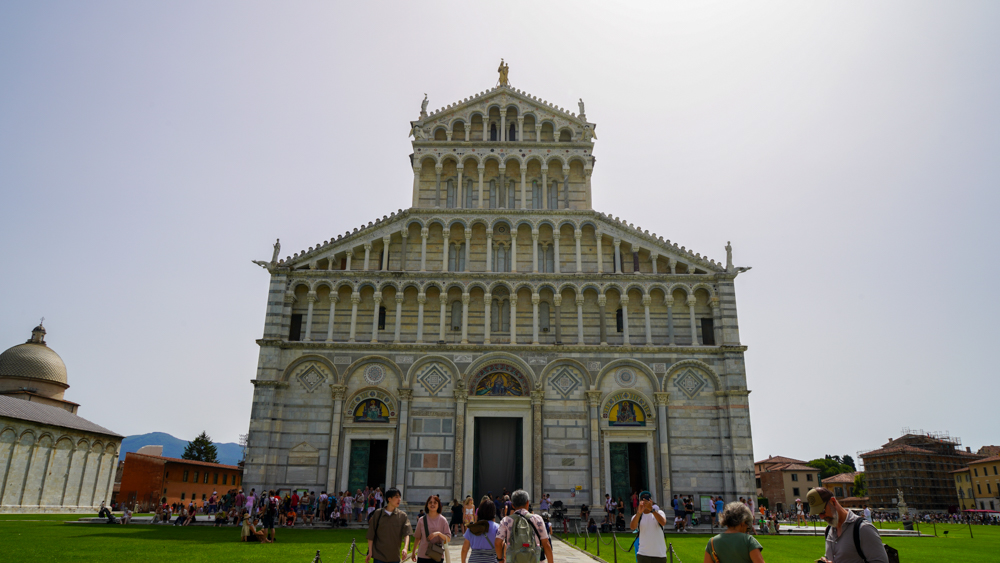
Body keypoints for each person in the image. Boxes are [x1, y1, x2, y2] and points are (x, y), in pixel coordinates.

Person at [808, 488, 888, 563]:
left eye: (822, 511)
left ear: (833, 501)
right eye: (818, 513)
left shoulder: (863, 528)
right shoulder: (829, 530)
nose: (821, 516)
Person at [496, 489, 553, 563]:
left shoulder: (506, 520)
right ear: (527, 503)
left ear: (512, 505)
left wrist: (500, 559)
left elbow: (497, 542)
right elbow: (546, 544)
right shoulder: (537, 519)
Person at [367, 488, 413, 563]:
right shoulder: (378, 514)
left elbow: (407, 533)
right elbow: (371, 534)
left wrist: (405, 548)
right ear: (389, 499)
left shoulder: (402, 516)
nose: (399, 499)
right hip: (379, 557)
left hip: (394, 557)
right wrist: (370, 551)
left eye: (400, 497)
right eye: (396, 497)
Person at [630, 491, 667, 563]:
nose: (645, 502)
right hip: (643, 554)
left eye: (647, 500)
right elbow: (633, 527)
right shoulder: (637, 517)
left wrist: (652, 509)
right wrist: (639, 512)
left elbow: (663, 522)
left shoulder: (659, 513)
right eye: (643, 500)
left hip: (659, 555)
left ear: (651, 501)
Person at [414, 495, 452, 563]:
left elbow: (448, 538)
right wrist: (413, 552)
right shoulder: (421, 520)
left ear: (438, 505)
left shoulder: (443, 520)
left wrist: (439, 534)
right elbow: (417, 538)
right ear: (427, 505)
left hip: (437, 556)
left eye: (435, 502)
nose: (432, 504)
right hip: (423, 555)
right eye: (430, 502)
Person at [462, 499, 499, 563]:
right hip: (491, 560)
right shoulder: (497, 528)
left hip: (474, 560)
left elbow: (464, 549)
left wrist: (463, 562)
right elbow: (500, 546)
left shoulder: (472, 528)